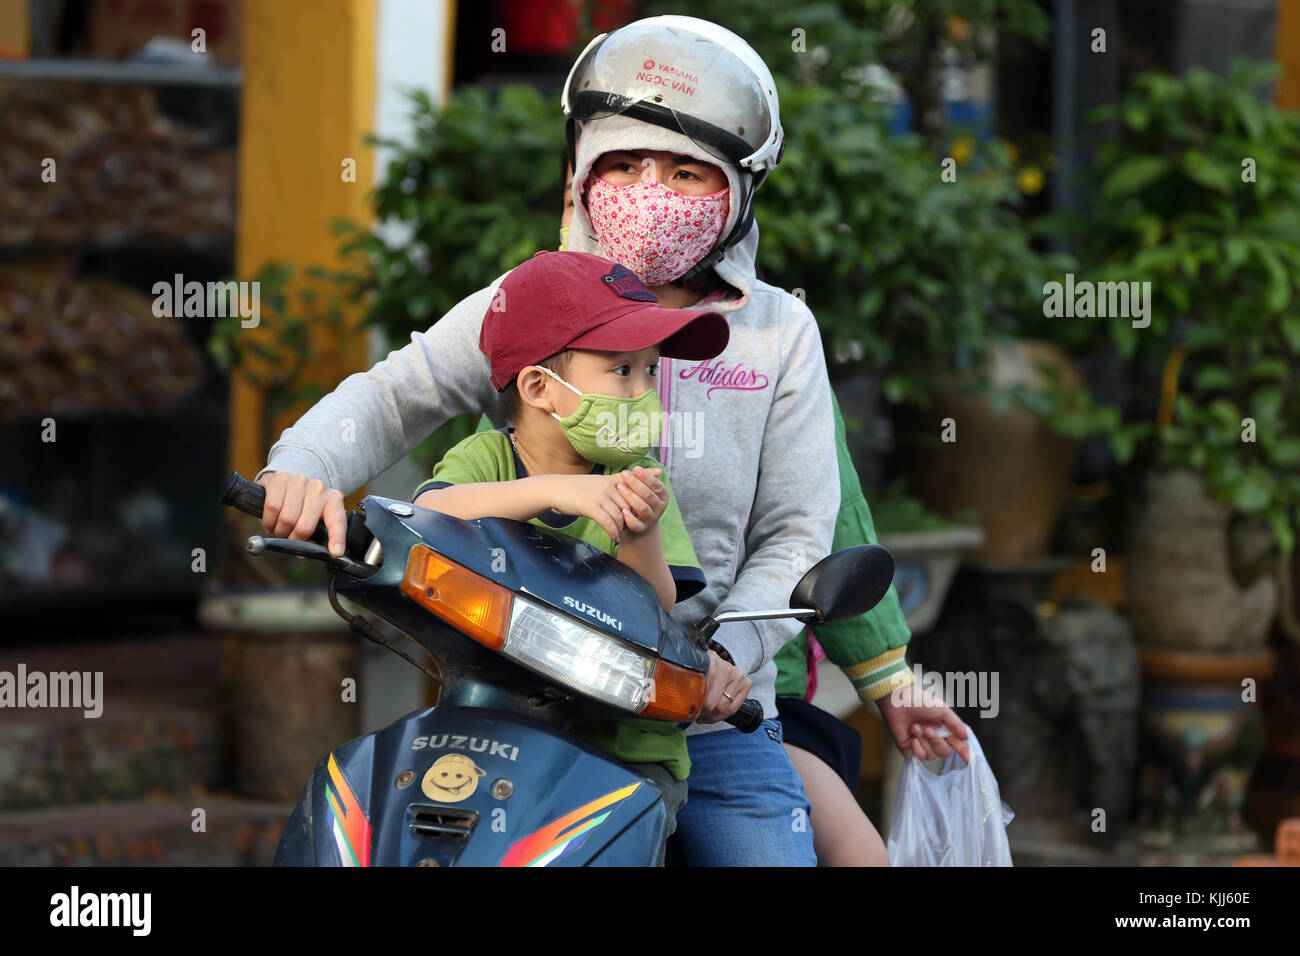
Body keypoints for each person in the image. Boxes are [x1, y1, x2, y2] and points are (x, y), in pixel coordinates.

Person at [255, 15, 968, 866]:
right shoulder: (535, 297)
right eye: (623, 162)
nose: (649, 188)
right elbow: (397, 393)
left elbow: (800, 528)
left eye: (685, 170)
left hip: (699, 707)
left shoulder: (780, 333)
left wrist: (728, 661)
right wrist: (300, 469)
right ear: (582, 172)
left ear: (741, 186)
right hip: (521, 683)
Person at [412, 249, 737, 836]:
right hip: (496, 733)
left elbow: (658, 605)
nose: (642, 392)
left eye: (649, 371)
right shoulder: (486, 459)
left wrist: (638, 531)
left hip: (628, 753)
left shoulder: (640, 478)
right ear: (540, 386)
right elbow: (429, 512)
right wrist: (553, 491)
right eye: (621, 371)